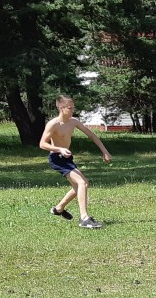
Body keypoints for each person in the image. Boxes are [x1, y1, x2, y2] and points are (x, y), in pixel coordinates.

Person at [39, 95, 112, 229]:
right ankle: (84, 218)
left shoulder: (73, 122)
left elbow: (92, 135)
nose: (73, 110)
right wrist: (59, 149)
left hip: (67, 158)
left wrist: (105, 151)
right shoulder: (53, 124)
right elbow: (42, 144)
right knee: (82, 183)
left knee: (80, 186)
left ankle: (59, 209)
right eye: (70, 108)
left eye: (73, 108)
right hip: (57, 158)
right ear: (61, 108)